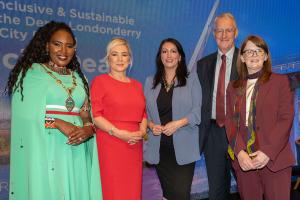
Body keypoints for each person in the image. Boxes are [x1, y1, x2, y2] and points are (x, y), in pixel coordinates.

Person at [6, 21, 102, 200]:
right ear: (46, 46)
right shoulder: (31, 74)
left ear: (75, 49)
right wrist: (57, 122)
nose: (63, 51)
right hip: (47, 148)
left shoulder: (80, 78)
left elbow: (84, 111)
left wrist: (88, 127)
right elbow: (24, 118)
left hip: (76, 147)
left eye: (69, 46)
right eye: (57, 44)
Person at [225, 35, 295, 200]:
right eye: (249, 51)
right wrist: (240, 153)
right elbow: (230, 122)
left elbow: (286, 118)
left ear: (265, 56)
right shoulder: (233, 87)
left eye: (258, 51)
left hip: (275, 159)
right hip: (245, 162)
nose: (254, 55)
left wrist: (267, 152)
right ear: (242, 57)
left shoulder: (280, 81)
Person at [144, 38, 202, 200]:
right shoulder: (150, 82)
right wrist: (151, 125)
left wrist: (178, 123)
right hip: (160, 148)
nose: (168, 55)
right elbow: (145, 114)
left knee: (181, 195)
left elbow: (197, 113)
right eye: (164, 51)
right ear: (160, 56)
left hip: (184, 148)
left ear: (180, 57)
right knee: (168, 195)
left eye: (173, 51)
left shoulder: (192, 79)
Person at [90, 37, 147, 200]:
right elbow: (95, 115)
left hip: (134, 145)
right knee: (113, 190)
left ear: (130, 59)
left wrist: (141, 132)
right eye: (115, 54)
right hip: (110, 144)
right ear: (108, 58)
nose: (120, 59)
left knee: (132, 191)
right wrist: (119, 133)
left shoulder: (137, 85)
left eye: (124, 54)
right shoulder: (100, 82)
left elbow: (143, 114)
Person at [196, 12, 239, 200]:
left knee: (248, 188)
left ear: (235, 32)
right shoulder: (203, 65)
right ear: (214, 34)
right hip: (212, 133)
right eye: (219, 31)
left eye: (228, 30)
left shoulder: (246, 61)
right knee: (216, 192)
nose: (223, 35)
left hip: (240, 133)